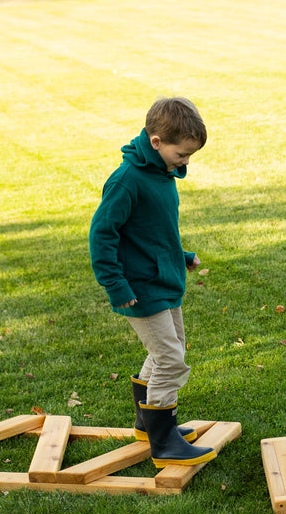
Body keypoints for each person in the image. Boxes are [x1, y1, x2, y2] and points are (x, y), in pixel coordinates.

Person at [89, 97, 215, 467]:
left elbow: (151, 234)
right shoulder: (127, 181)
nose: (186, 161)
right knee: (170, 359)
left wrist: (180, 256)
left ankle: (147, 425)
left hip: (163, 280)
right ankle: (164, 442)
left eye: (191, 154)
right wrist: (115, 285)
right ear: (156, 141)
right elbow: (103, 235)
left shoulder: (161, 174)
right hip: (139, 288)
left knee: (169, 349)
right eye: (182, 153)